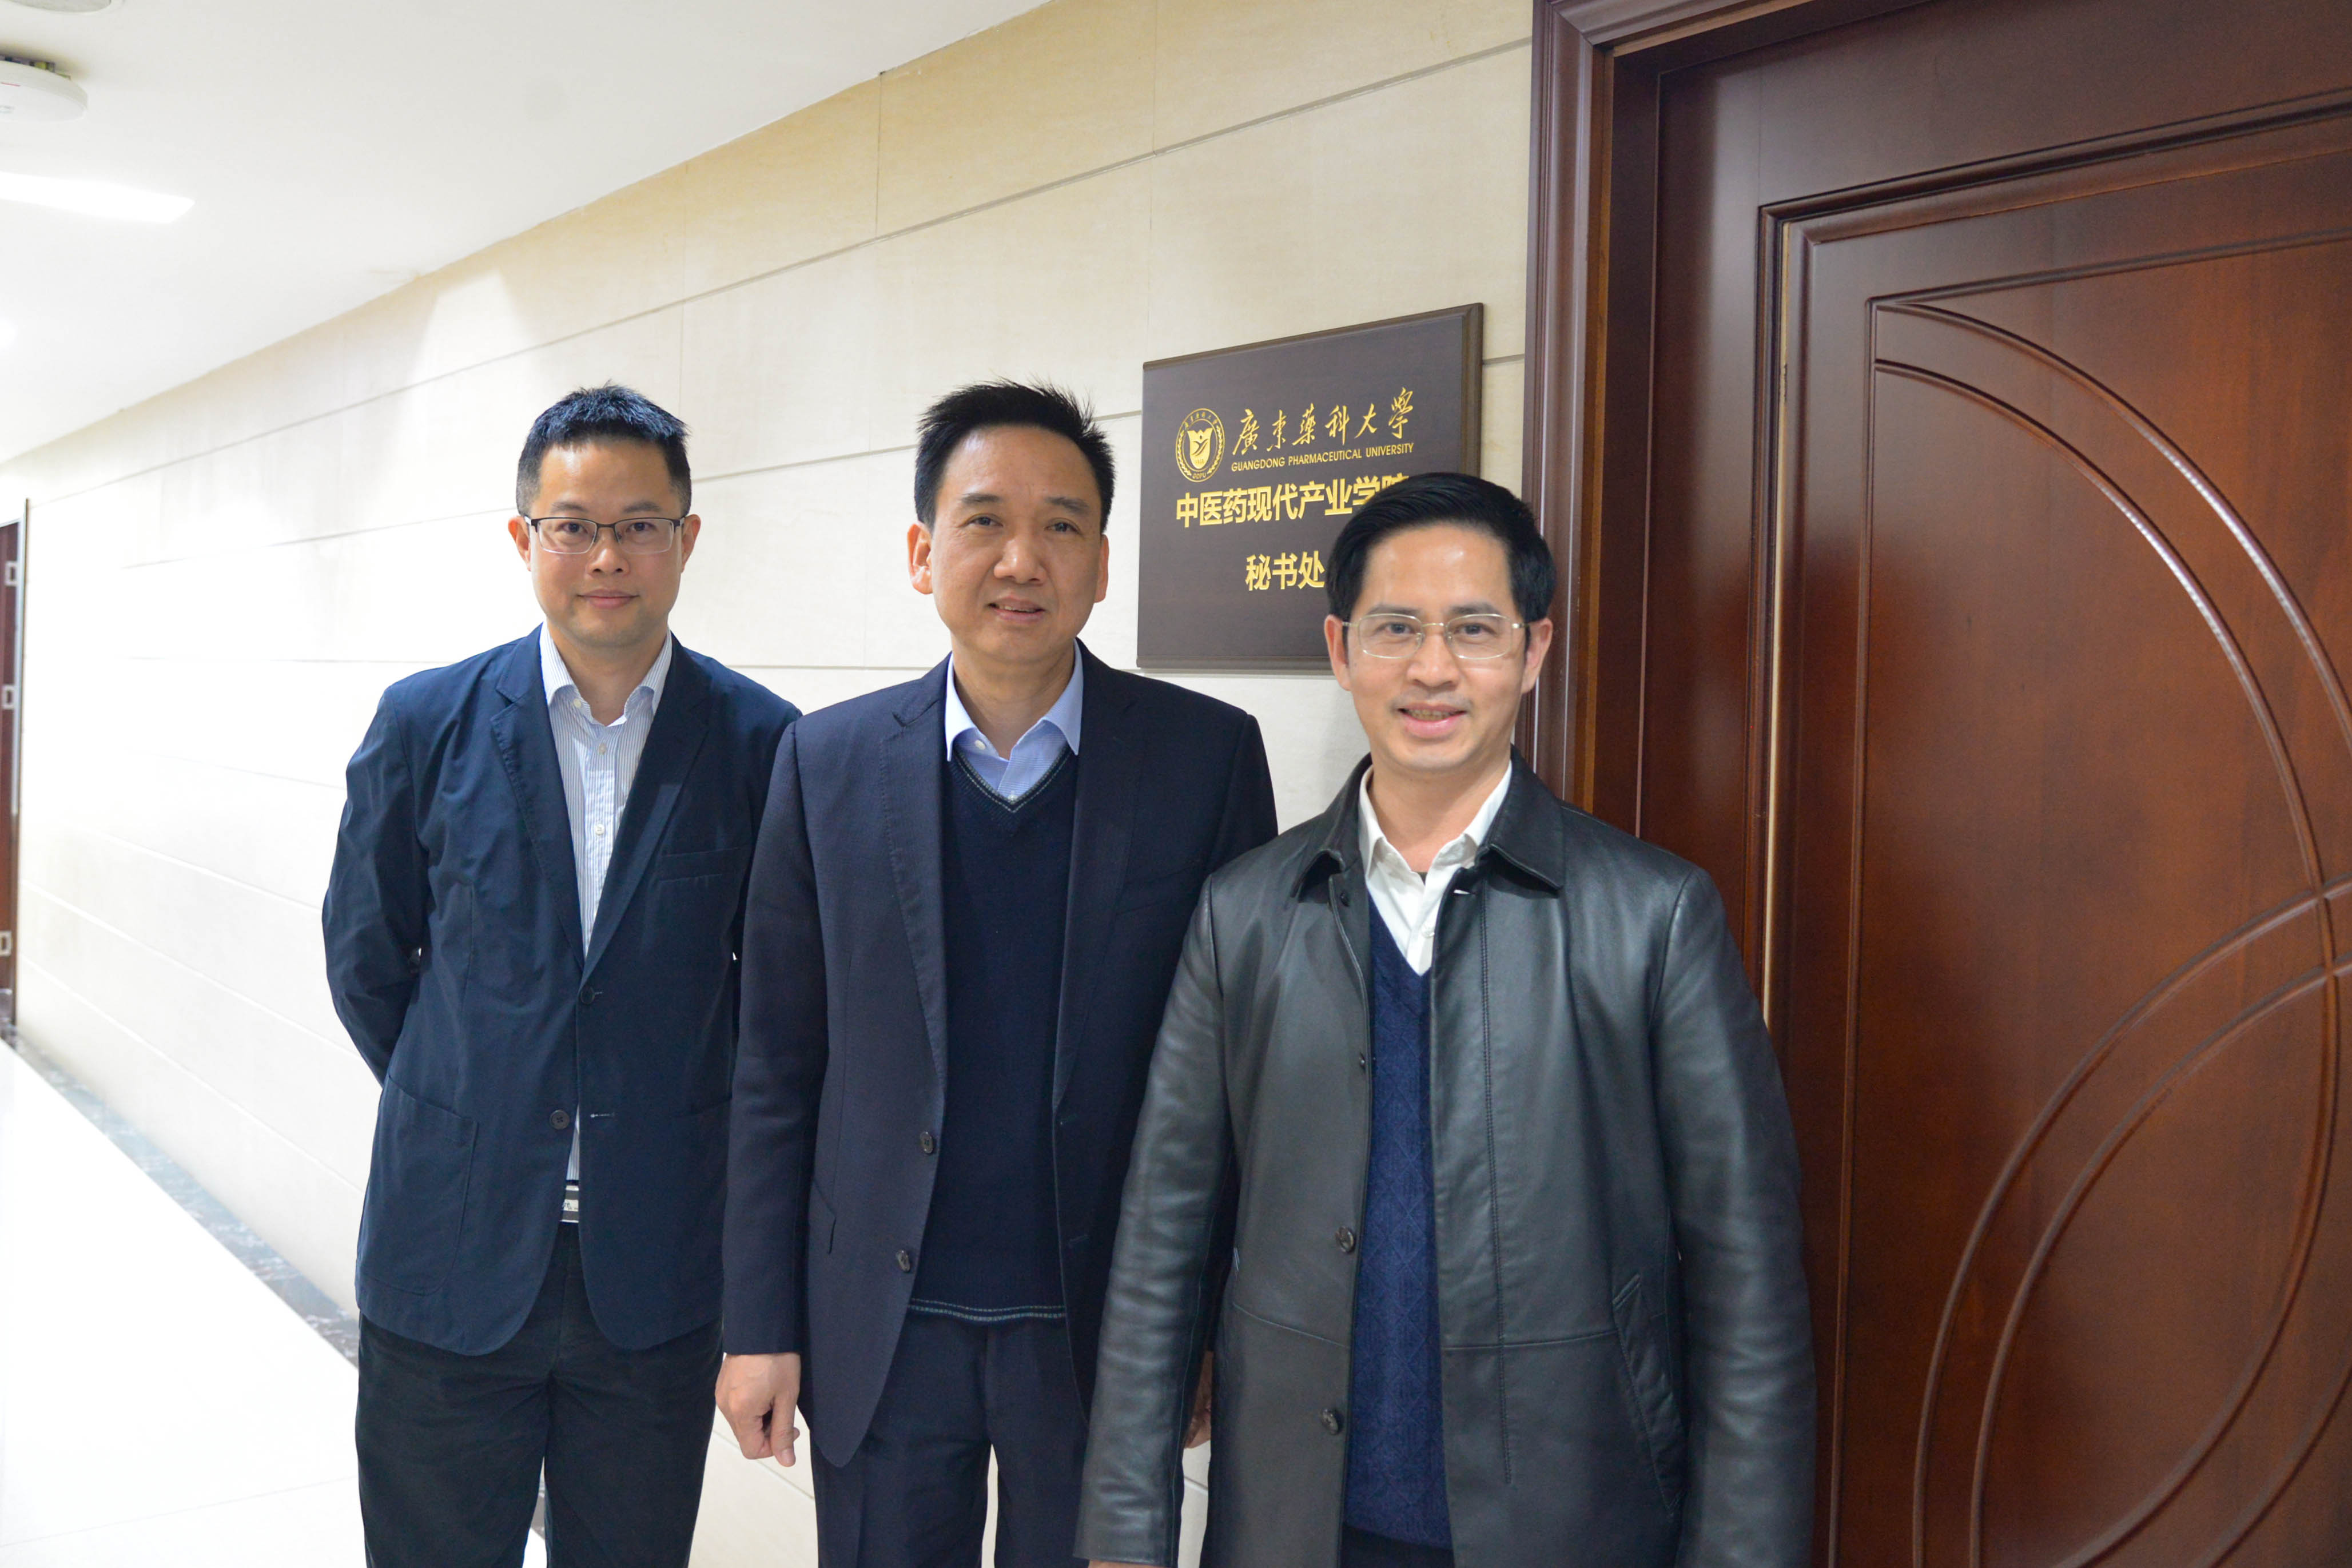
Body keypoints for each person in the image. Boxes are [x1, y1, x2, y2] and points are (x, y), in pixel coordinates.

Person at [1076, 472, 1815, 1568]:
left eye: (1473, 629)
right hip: (1295, 1523)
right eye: (1395, 629)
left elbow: (1745, 1282)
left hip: (1573, 1523)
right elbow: (1162, 1239)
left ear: (1532, 649)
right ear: (1340, 650)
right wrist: (1122, 1534)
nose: (1432, 668)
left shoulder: (1651, 917)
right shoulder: (1246, 913)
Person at [718, 381, 1278, 1567]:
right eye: (983, 521)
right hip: (880, 1323)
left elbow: (1240, 1080)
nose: (1022, 559)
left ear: (1103, 564)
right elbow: (774, 1063)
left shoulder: (1205, 759)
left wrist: (1211, 1324)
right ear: (923, 554)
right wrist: (758, 1322)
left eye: (1060, 525)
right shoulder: (822, 762)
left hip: (1104, 1325)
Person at [323, 383, 798, 1567]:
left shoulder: (764, 743)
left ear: (687, 537)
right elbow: (367, 957)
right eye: (573, 525)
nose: (607, 557)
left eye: (640, 525)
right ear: (523, 535)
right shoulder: (425, 722)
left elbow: (774, 1010)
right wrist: (480, 1097)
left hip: (655, 1274)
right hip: (450, 1252)